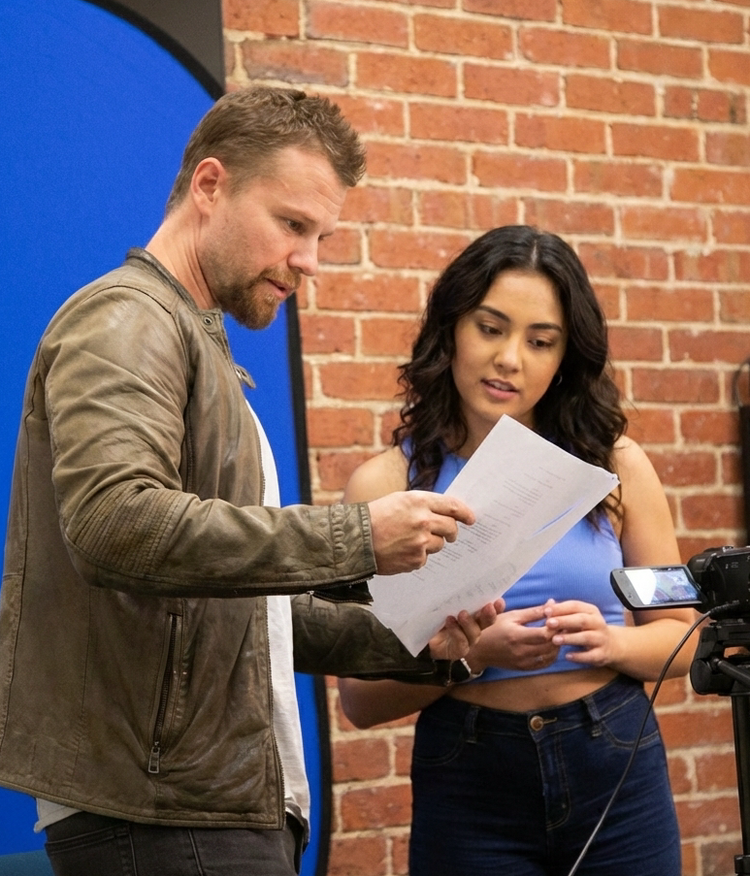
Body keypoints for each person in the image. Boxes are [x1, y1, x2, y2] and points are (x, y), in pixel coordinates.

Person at [0, 86, 503, 876]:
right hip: (161, 812)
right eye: (292, 224)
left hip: (203, 805)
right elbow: (114, 524)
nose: (309, 259)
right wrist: (361, 536)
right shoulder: (126, 320)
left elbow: (247, 622)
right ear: (210, 186)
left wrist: (419, 642)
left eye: (321, 234)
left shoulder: (195, 345)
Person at [338, 225, 697, 876]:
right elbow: (359, 700)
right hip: (471, 778)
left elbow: (683, 635)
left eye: (540, 342)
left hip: (614, 759)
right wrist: (470, 655)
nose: (510, 359)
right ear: (450, 329)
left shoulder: (614, 468)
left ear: (564, 359)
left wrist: (613, 643)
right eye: (491, 327)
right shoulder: (388, 486)